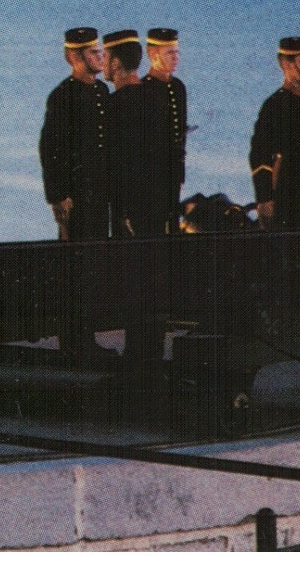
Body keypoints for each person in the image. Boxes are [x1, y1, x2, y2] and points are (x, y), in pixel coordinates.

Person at [101, 29, 171, 385]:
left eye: (106, 58)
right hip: (157, 204)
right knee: (153, 280)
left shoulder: (116, 106)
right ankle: (152, 353)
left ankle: (136, 358)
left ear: (116, 62)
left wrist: (125, 209)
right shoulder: (157, 99)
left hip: (131, 207)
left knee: (133, 281)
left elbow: (122, 163)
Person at [38, 27, 111, 241]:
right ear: (74, 57)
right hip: (75, 191)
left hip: (100, 188)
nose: (100, 57)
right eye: (93, 53)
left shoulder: (102, 90)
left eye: (101, 52)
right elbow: (49, 148)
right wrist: (58, 195)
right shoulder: (63, 95)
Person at [249, 37, 300, 230]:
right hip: (283, 194)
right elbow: (259, 153)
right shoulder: (275, 104)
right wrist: (264, 199)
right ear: (286, 64)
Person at [140, 27, 188, 219]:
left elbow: (181, 134)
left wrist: (179, 171)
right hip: (150, 175)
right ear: (152, 54)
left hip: (173, 172)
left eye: (176, 52)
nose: (175, 58)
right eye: (169, 53)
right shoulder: (143, 89)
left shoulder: (178, 87)